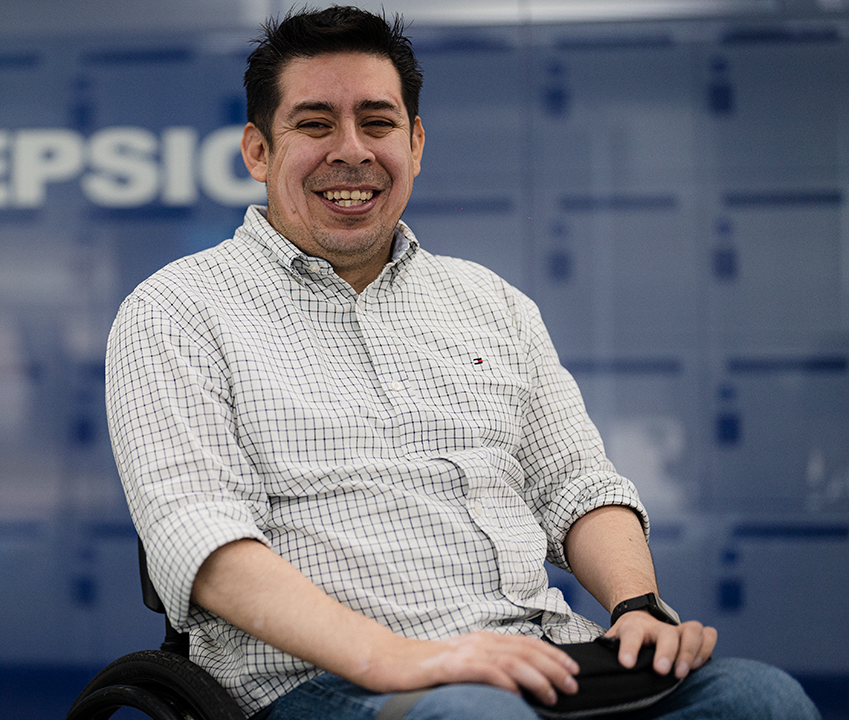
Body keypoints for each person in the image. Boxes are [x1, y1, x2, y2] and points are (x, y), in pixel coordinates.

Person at [104, 6, 820, 719]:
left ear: (415, 144)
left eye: (378, 123)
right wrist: (407, 659)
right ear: (257, 151)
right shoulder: (176, 310)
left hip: (536, 656)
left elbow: (576, 484)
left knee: (762, 700)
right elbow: (204, 544)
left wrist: (638, 607)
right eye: (315, 124)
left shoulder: (492, 302)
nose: (350, 150)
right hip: (329, 687)